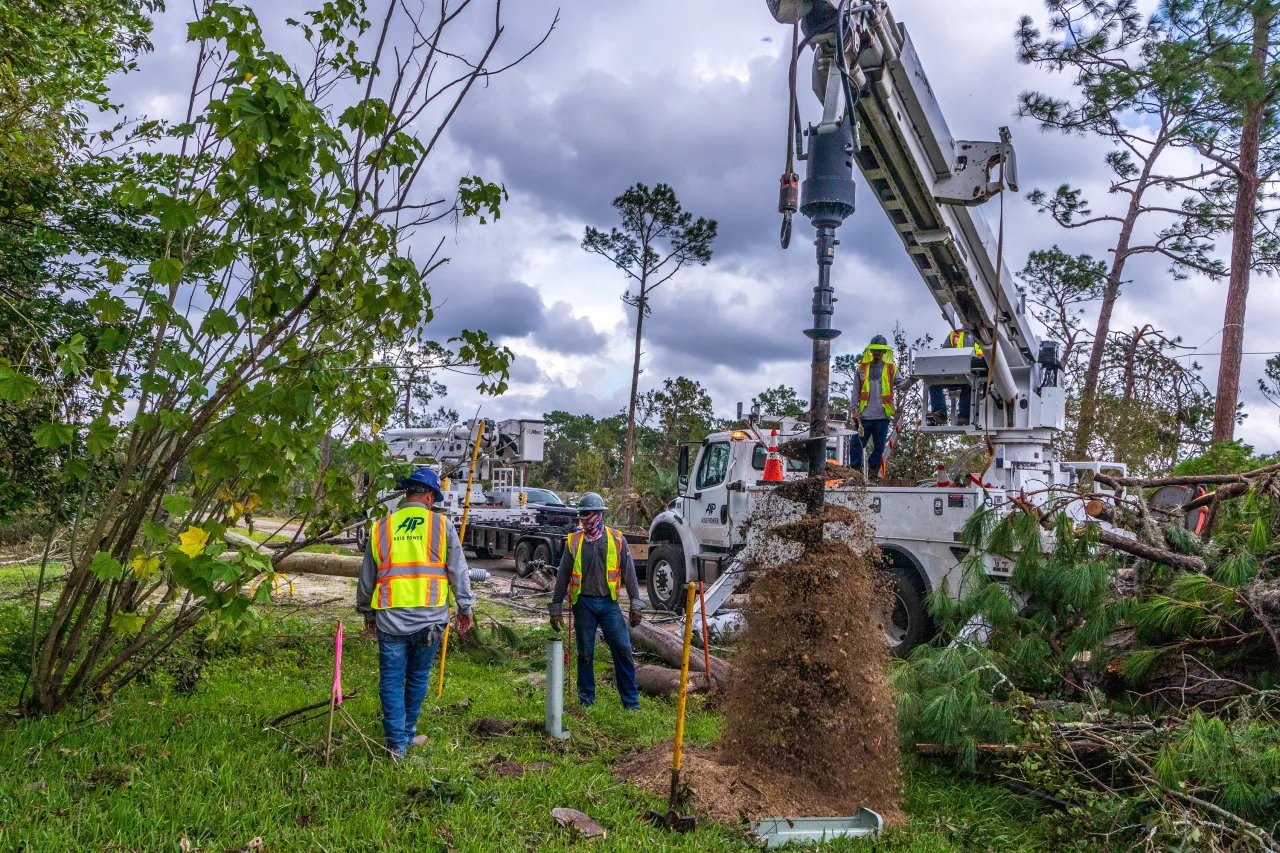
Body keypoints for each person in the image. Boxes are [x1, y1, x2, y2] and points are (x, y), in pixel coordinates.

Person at [357, 467, 474, 760]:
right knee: (418, 677)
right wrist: (465, 607)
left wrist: (366, 613)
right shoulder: (441, 526)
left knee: (391, 680)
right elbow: (458, 571)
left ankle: (397, 744)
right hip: (430, 620)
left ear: (408, 493)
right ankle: (406, 735)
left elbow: (367, 577)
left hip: (390, 619)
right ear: (430, 496)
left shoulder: (381, 526)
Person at [548, 492, 643, 710]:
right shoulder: (574, 541)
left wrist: (635, 604)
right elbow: (563, 575)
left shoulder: (617, 539)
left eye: (588, 514)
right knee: (585, 653)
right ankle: (586, 700)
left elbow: (629, 574)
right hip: (583, 605)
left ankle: (631, 702)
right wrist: (556, 610)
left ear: (599, 515)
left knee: (623, 649)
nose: (584, 519)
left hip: (609, 605)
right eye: (582, 515)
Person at [850, 334, 913, 481]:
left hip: (882, 416)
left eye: (880, 350)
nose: (877, 353)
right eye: (875, 350)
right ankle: (854, 472)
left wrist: (913, 379)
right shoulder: (862, 368)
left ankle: (873, 473)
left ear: (884, 352)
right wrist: (854, 410)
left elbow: (902, 385)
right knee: (856, 444)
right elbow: (855, 391)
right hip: (863, 416)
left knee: (879, 447)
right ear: (871, 351)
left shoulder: (891, 369)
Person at [927, 329, 983, 426]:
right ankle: (940, 413)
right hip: (953, 374)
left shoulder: (983, 335)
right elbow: (943, 354)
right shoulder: (955, 335)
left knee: (969, 384)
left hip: (975, 375)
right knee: (933, 382)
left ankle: (964, 417)